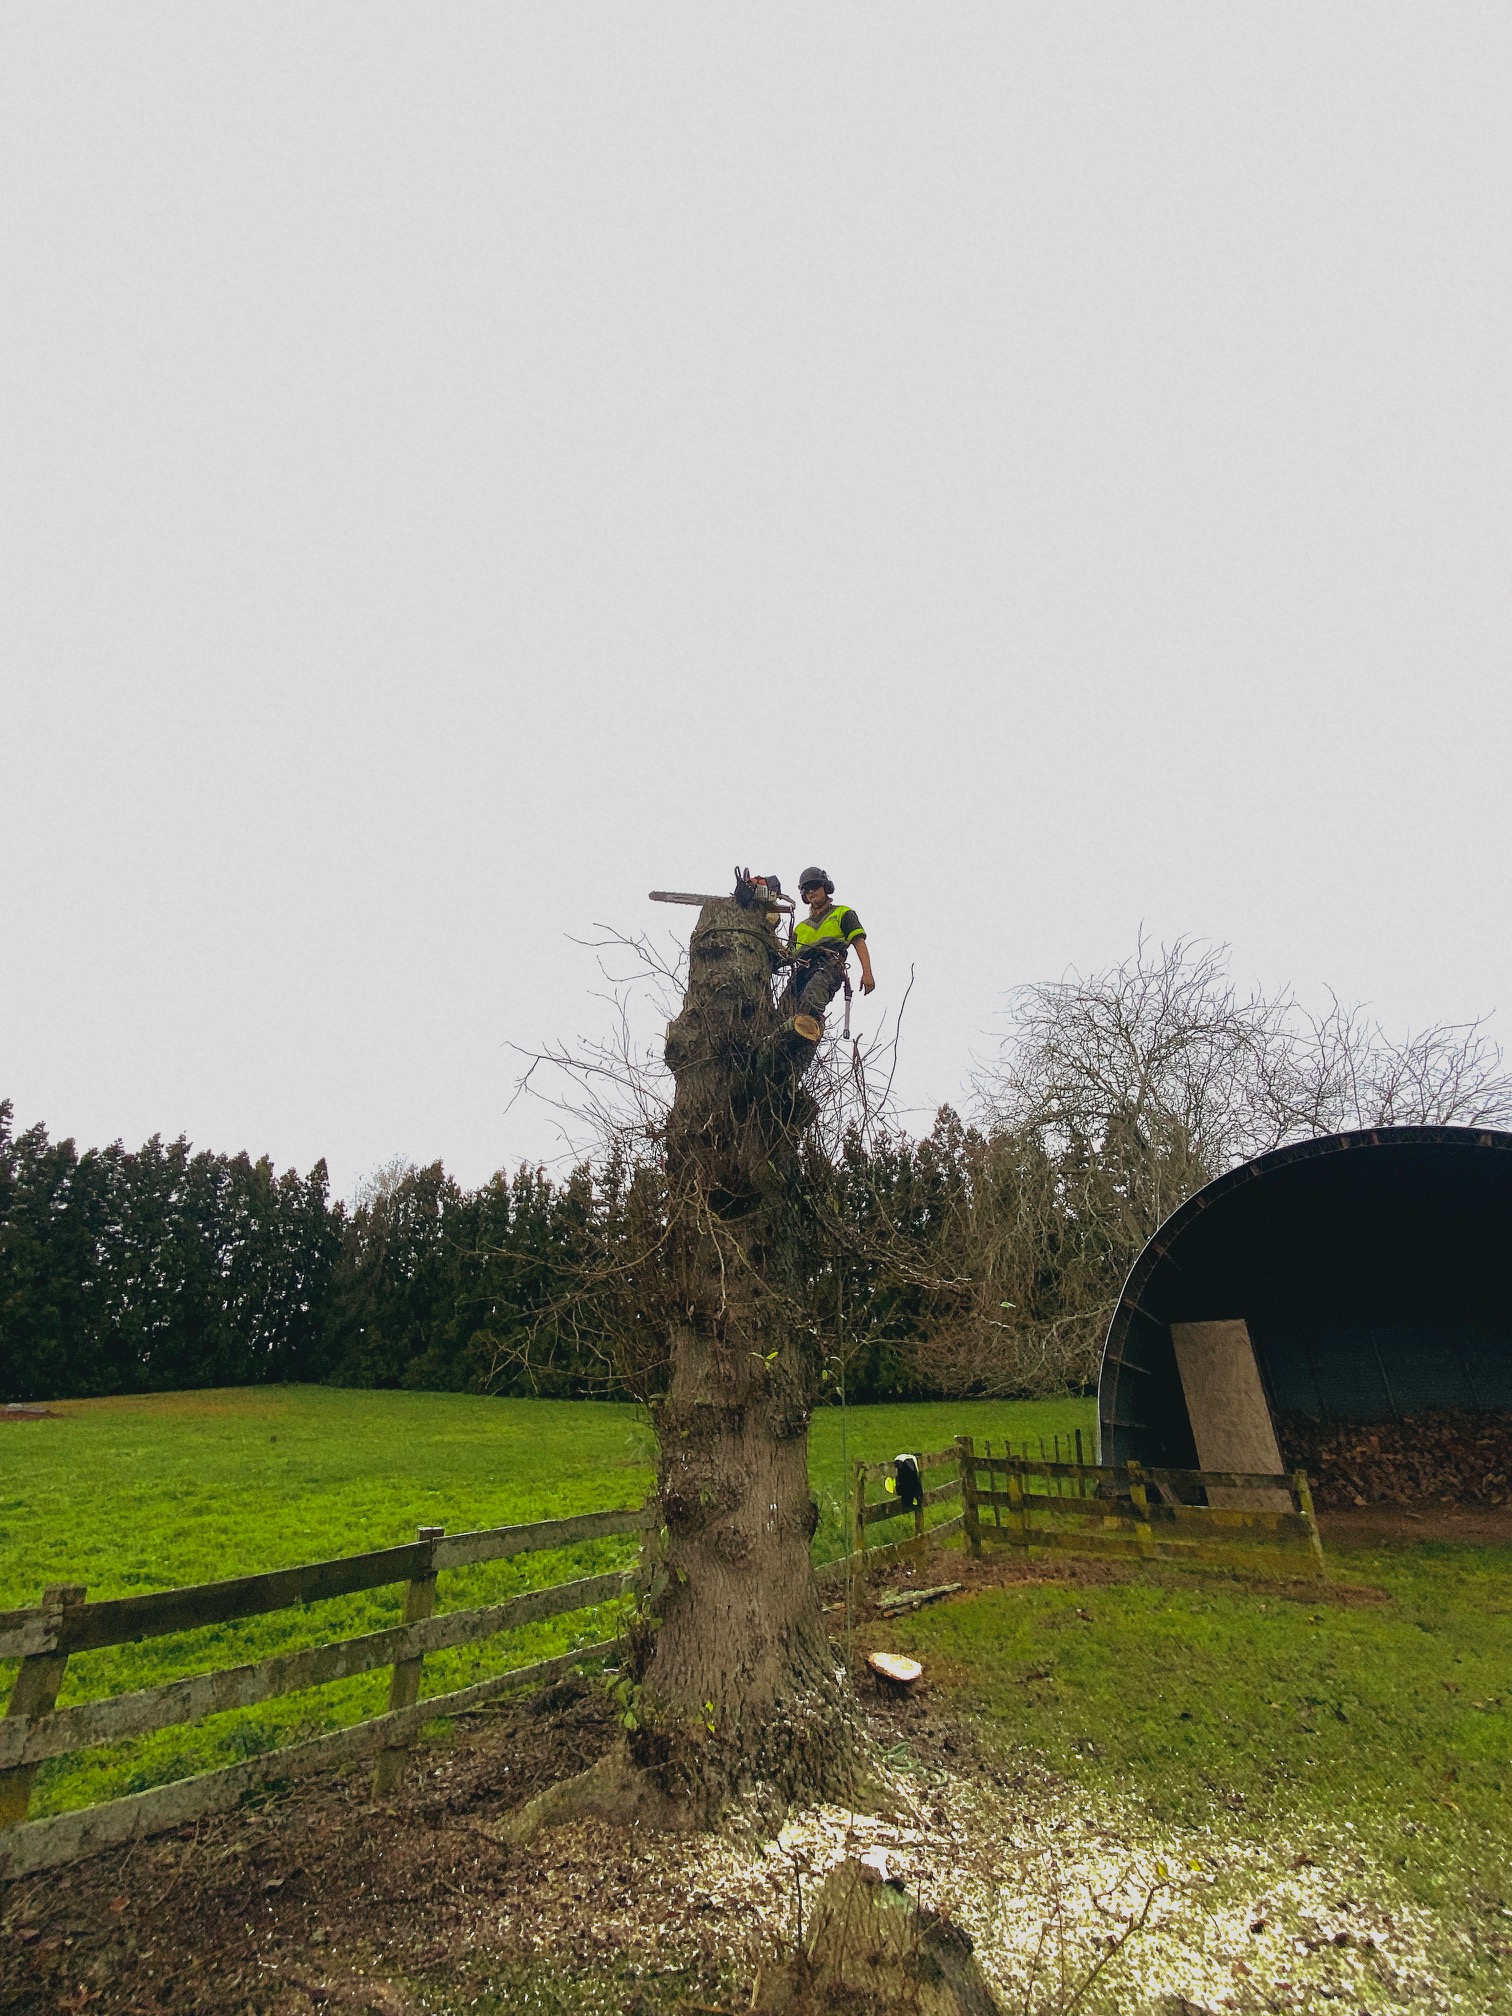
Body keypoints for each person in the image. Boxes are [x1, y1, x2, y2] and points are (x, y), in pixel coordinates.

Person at [782, 866, 875, 1021]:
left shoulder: (843, 913)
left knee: (810, 1002)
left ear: (825, 887)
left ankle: (810, 1027)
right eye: (806, 890)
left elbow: (859, 942)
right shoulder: (800, 927)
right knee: (784, 1006)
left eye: (814, 886)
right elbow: (785, 955)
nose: (811, 892)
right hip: (802, 969)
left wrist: (867, 973)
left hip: (828, 965)